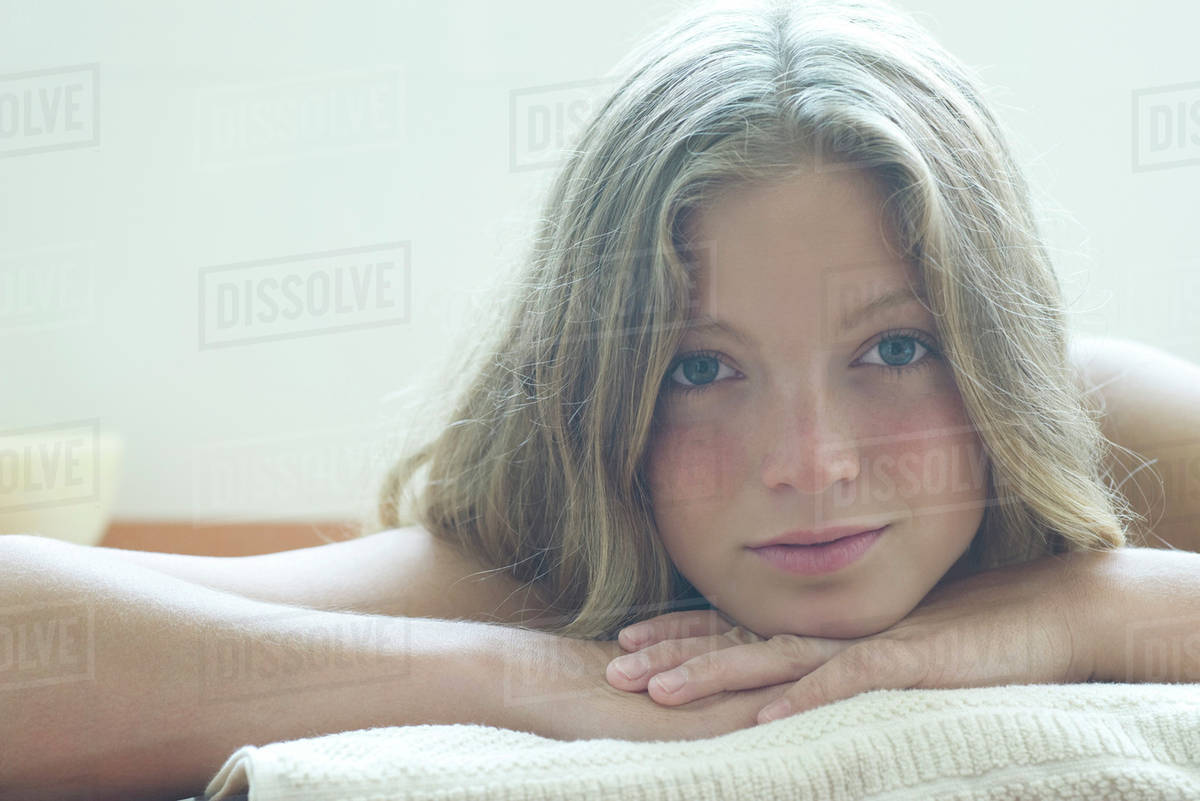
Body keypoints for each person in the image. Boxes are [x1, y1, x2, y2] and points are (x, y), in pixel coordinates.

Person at [5, 0, 1198, 798]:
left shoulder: (1109, 424)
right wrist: (526, 678)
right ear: (600, 396)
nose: (809, 461)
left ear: (993, 353)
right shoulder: (565, 561)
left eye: (893, 351)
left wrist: (1074, 612)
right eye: (700, 368)